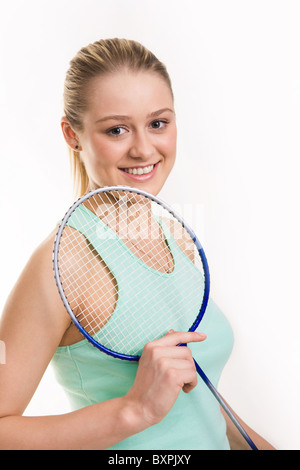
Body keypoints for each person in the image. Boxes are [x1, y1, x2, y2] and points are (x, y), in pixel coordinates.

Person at [0, 38, 274, 450]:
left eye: (158, 123)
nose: (144, 148)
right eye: (117, 129)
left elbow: (200, 402)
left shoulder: (176, 237)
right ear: (72, 135)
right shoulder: (62, 263)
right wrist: (134, 410)